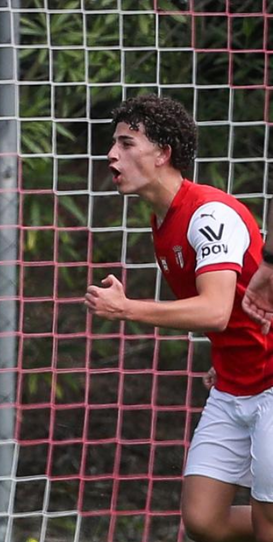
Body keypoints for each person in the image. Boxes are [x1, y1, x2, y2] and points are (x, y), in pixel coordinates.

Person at [86, 94, 273, 542]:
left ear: (163, 154)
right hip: (233, 384)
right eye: (114, 143)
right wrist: (230, 355)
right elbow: (231, 313)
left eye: (127, 143)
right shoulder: (162, 222)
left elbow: (214, 309)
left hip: (271, 382)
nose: (112, 154)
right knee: (203, 521)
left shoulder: (208, 215)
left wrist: (127, 308)